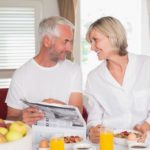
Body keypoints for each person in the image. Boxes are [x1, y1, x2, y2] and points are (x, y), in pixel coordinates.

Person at [6, 16, 83, 125]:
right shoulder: (21, 74)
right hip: (32, 140)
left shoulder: (74, 70)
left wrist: (58, 109)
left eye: (70, 42)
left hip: (67, 139)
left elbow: (78, 114)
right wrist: (21, 118)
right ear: (47, 41)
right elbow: (10, 119)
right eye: (65, 42)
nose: (70, 48)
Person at [85, 16, 150, 143]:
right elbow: (94, 119)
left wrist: (146, 125)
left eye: (95, 40)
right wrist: (93, 130)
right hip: (110, 143)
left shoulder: (146, 65)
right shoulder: (93, 78)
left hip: (145, 142)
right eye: (90, 42)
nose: (92, 48)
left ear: (112, 37)